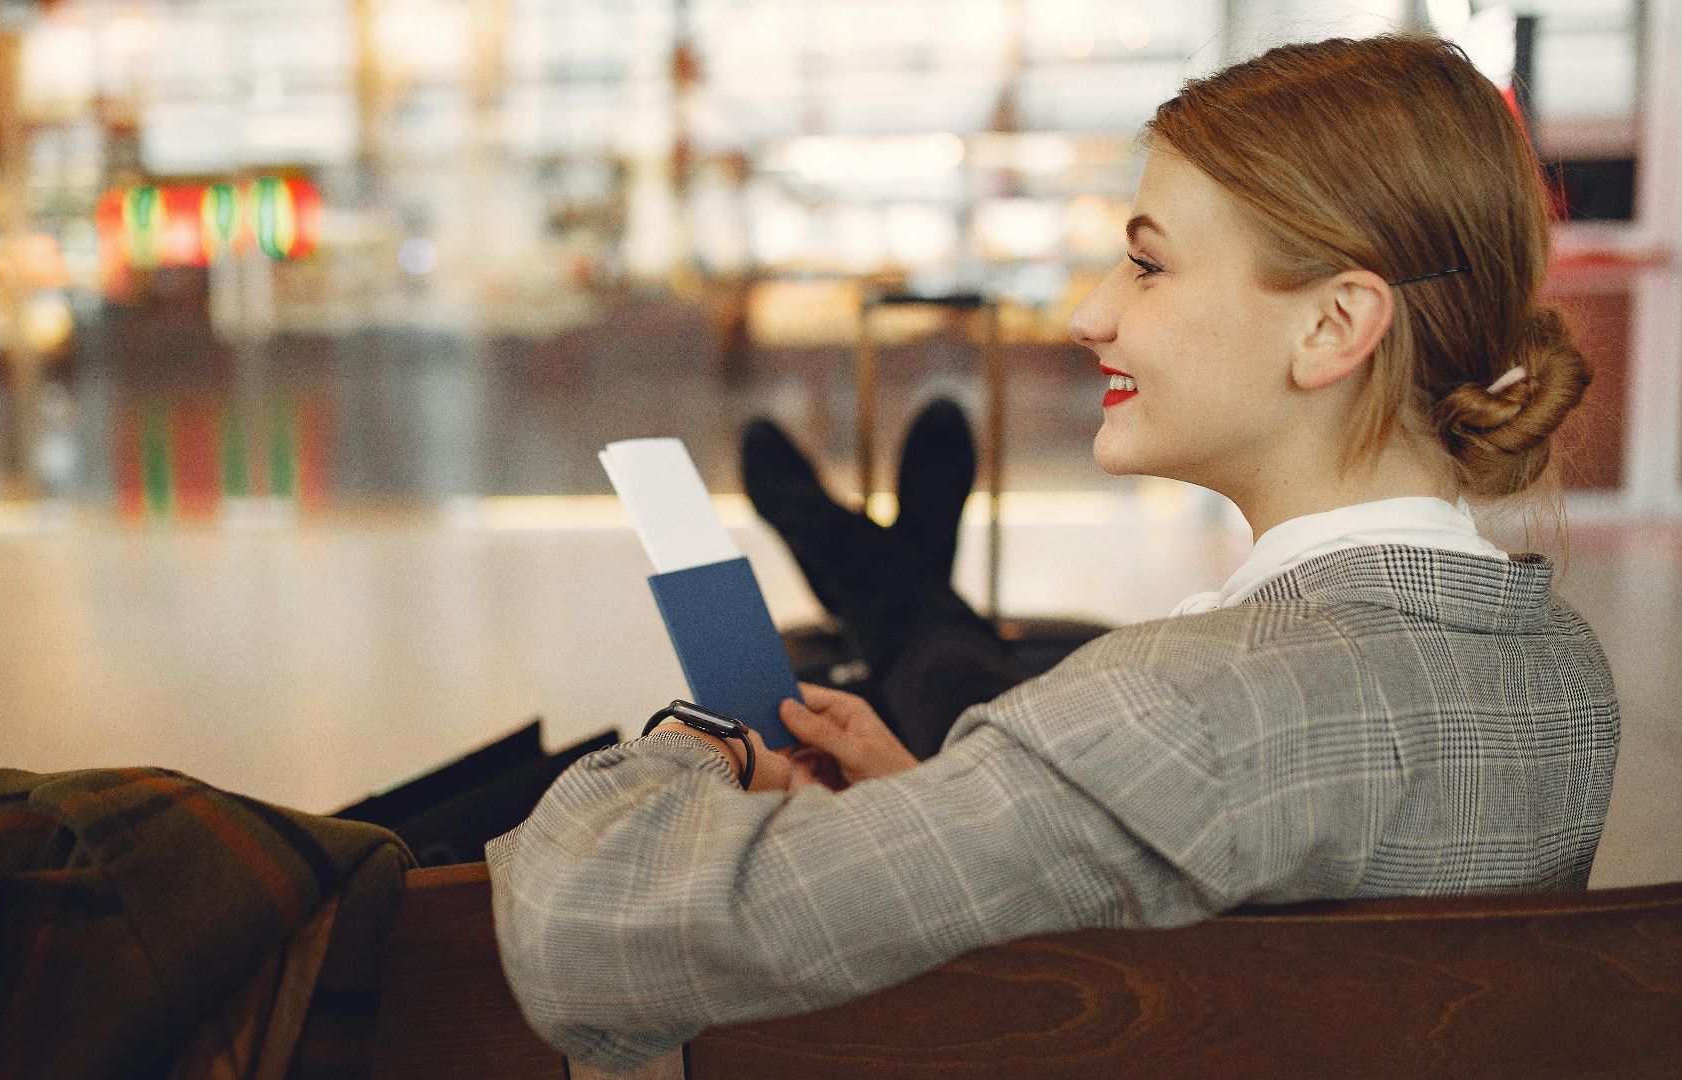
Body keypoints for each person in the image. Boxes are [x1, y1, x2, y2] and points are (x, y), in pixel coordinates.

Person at [485, 34, 1618, 1073]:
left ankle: (871, 559)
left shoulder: (1175, 709)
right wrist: (948, 809)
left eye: (1148, 265)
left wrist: (699, 750)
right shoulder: (1568, 680)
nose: (1089, 314)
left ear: (1333, 327)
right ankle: (889, 564)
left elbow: (580, 934)